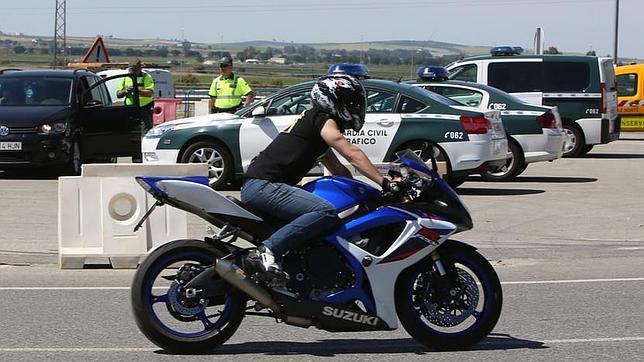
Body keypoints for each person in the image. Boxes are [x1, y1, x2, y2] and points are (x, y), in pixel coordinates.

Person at [240, 74, 402, 277]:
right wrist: (385, 182)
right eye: (349, 102)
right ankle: (267, 252)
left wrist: (369, 194)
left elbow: (338, 170)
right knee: (325, 212)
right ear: (332, 98)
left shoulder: (314, 127)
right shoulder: (322, 118)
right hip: (264, 186)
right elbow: (352, 154)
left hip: (265, 186)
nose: (354, 107)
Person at [116, 58, 155, 133]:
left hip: (145, 107)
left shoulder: (146, 77)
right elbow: (118, 94)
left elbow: (149, 93)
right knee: (130, 130)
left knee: (147, 130)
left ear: (140, 68)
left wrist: (137, 90)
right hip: (130, 107)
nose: (132, 72)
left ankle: (145, 143)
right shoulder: (125, 77)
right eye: (131, 70)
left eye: (134, 70)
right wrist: (125, 91)